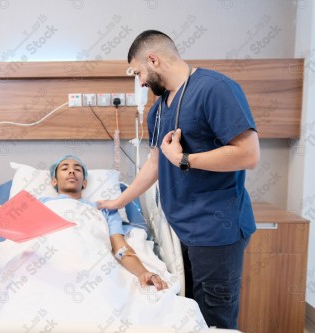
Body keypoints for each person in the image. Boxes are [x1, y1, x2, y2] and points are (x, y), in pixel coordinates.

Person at [97, 30, 260, 329]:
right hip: (181, 230)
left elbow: (248, 154)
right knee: (191, 313)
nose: (141, 81)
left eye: (139, 72)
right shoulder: (158, 111)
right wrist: (119, 200)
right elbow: (156, 161)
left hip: (216, 229)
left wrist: (184, 159)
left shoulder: (215, 89)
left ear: (153, 59)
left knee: (216, 319)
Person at [43, 155, 168, 291]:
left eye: (77, 169)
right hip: (48, 260)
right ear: (54, 181)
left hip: (90, 263)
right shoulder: (41, 204)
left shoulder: (105, 209)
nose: (72, 171)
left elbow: (120, 247)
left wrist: (143, 272)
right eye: (65, 168)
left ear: (84, 183)